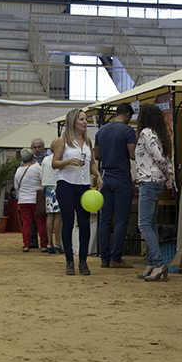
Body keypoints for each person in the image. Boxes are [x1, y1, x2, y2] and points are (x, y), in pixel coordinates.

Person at [52, 108, 103, 276]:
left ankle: (83, 261)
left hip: (84, 187)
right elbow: (54, 163)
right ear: (73, 122)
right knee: (67, 223)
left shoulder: (88, 142)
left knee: (84, 224)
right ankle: (69, 260)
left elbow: (92, 163)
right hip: (66, 185)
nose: (84, 122)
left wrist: (98, 175)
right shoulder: (63, 141)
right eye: (81, 119)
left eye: (85, 119)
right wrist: (67, 161)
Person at [135, 104, 175, 283]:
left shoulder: (145, 132)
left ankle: (158, 264)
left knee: (144, 224)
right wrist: (170, 174)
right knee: (150, 223)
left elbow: (158, 157)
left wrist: (168, 173)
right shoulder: (158, 134)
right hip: (156, 182)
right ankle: (152, 264)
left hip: (149, 182)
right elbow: (165, 157)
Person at [94, 103, 136, 269]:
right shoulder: (127, 131)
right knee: (121, 219)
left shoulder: (101, 130)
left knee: (105, 219)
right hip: (122, 177)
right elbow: (132, 155)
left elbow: (97, 155)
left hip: (105, 177)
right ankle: (116, 258)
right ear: (127, 114)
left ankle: (104, 258)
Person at [14, 148, 47, 252]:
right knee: (40, 223)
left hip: (23, 200)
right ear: (33, 157)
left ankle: (26, 245)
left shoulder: (19, 170)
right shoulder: (37, 168)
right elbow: (43, 181)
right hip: (36, 199)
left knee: (26, 223)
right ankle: (44, 245)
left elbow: (16, 186)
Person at [41, 138, 63, 254]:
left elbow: (41, 174)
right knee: (58, 216)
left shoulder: (45, 160)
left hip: (48, 188)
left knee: (49, 216)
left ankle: (49, 242)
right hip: (57, 187)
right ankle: (57, 242)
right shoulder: (60, 159)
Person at [28, 137, 46, 250]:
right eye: (35, 147)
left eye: (39, 147)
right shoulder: (27, 160)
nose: (37, 149)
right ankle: (33, 241)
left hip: (42, 191)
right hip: (31, 192)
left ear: (43, 148)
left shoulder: (47, 159)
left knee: (42, 219)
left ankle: (45, 242)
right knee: (31, 220)